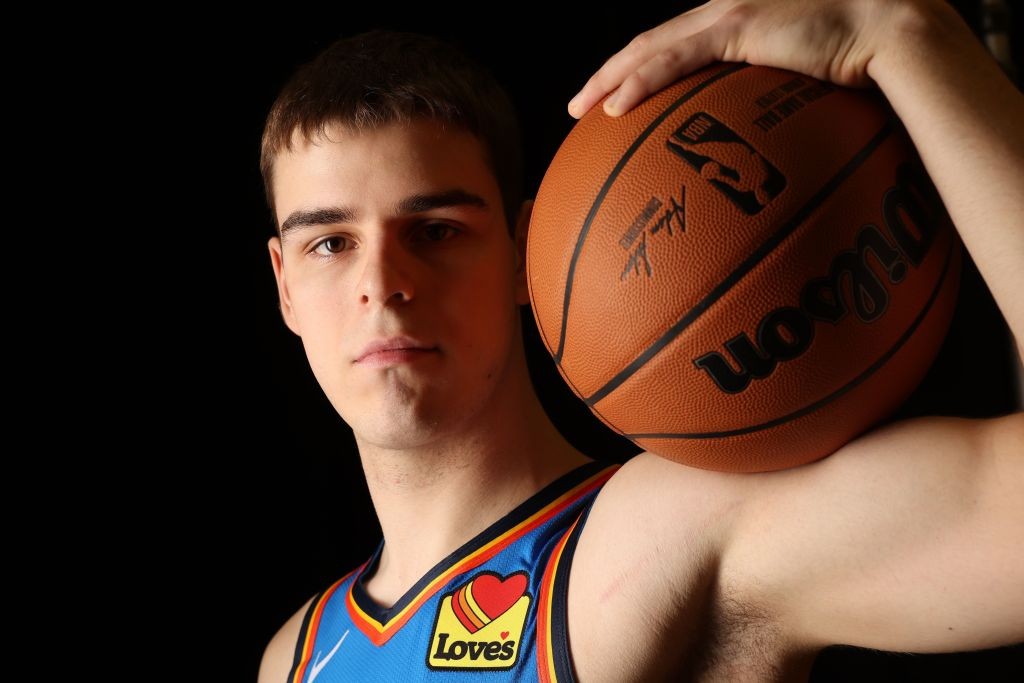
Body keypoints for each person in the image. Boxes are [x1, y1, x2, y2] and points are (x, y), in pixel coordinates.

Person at [257, 0, 1023, 680]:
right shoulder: (297, 656)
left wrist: (907, 36)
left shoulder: (671, 533)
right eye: (329, 243)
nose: (383, 282)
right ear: (285, 285)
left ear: (525, 253)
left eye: (437, 230)